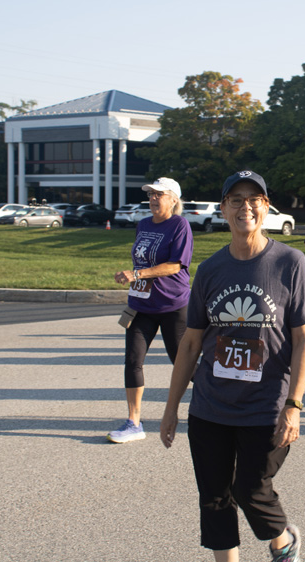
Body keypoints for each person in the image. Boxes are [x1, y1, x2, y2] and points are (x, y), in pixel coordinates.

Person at [159, 170, 305, 562]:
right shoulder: (211, 269)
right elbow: (191, 342)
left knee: (251, 489)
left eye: (254, 200)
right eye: (236, 200)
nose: (245, 207)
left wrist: (294, 405)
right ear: (224, 208)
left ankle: (283, 541)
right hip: (210, 405)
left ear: (265, 207)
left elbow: (303, 339)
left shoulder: (289, 262)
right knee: (213, 497)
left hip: (266, 407)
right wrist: (171, 407)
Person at [108, 177, 193, 443]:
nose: (154, 198)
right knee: (133, 361)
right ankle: (133, 423)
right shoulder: (143, 224)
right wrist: (133, 276)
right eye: (151, 194)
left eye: (160, 194)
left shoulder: (179, 225)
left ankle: (217, 403)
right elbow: (141, 259)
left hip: (172, 304)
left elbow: (176, 265)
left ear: (173, 199)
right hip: (141, 304)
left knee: (183, 361)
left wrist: (137, 274)